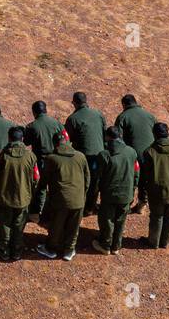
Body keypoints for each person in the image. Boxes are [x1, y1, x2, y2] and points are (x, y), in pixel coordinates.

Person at [36, 133, 90, 262]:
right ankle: (69, 250)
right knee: (74, 227)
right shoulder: (80, 156)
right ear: (68, 141)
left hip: (60, 199)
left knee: (56, 225)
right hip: (78, 199)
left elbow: (44, 181)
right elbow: (87, 179)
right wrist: (82, 195)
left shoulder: (51, 158)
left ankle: (51, 249)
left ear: (54, 144)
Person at [92, 126, 139, 255]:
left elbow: (97, 176)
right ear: (120, 136)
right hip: (126, 193)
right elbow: (136, 173)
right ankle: (116, 246)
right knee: (120, 220)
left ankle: (105, 245)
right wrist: (133, 189)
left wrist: (95, 193)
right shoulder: (131, 152)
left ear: (107, 137)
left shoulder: (104, 155)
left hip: (109, 194)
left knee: (107, 220)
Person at [0, 126, 38, 262]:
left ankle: (4, 249)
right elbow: (36, 178)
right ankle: (16, 250)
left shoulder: (3, 154)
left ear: (9, 138)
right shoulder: (30, 156)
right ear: (22, 139)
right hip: (23, 198)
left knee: (4, 223)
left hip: (4, 197)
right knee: (19, 224)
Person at [113, 94, 157, 212]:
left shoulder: (122, 117)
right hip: (151, 154)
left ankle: (126, 203)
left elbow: (118, 139)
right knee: (145, 178)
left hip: (134, 155)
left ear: (124, 105)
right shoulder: (150, 116)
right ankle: (142, 202)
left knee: (130, 178)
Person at [65, 92, 106, 214]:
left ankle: (81, 205)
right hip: (99, 153)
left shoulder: (73, 119)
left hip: (83, 155)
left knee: (81, 180)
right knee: (95, 180)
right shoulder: (98, 114)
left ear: (74, 103)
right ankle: (90, 206)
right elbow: (104, 132)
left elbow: (68, 138)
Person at [24, 100, 64, 221]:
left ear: (34, 112)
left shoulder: (32, 126)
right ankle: (53, 211)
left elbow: (26, 142)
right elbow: (65, 138)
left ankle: (37, 212)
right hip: (57, 159)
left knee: (41, 186)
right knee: (55, 184)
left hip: (41, 160)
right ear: (45, 110)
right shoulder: (56, 123)